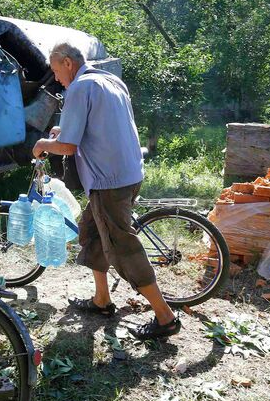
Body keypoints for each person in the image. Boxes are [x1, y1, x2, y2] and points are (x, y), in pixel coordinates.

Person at [32, 42, 181, 340]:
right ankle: (102, 301)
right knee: (91, 232)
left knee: (122, 246)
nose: (56, 77)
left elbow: (68, 148)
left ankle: (166, 317)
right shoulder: (110, 81)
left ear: (67, 63)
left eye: (56, 70)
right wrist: (65, 131)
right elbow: (100, 126)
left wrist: (43, 145)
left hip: (108, 182)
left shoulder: (78, 89)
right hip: (129, 172)